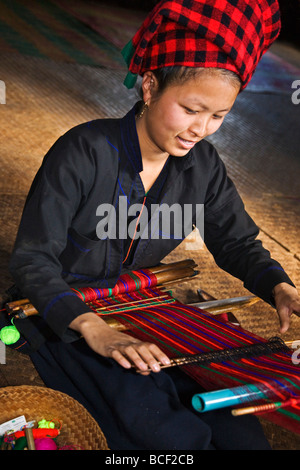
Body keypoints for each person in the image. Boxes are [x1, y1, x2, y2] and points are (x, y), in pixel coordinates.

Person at [3, 0, 300, 450]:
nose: (201, 128)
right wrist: (92, 327)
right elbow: (33, 259)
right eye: (191, 109)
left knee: (238, 433)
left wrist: (279, 287)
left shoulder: (202, 166)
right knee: (166, 431)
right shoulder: (83, 151)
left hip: (143, 301)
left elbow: (236, 240)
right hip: (60, 309)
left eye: (218, 116)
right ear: (149, 87)